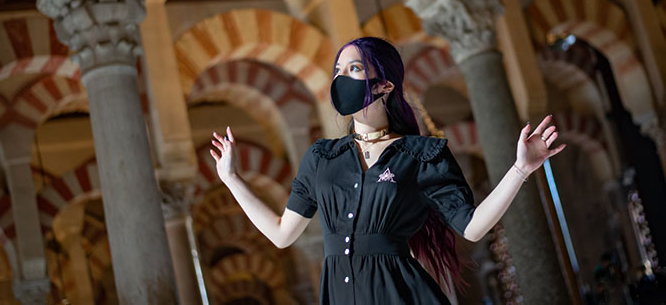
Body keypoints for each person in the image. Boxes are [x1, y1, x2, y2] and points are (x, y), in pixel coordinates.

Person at [210, 37, 566, 304]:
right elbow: (281, 234)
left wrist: (520, 169)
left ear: (384, 85)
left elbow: (471, 228)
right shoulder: (321, 158)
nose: (341, 78)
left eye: (354, 69)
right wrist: (232, 179)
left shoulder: (421, 155)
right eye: (338, 71)